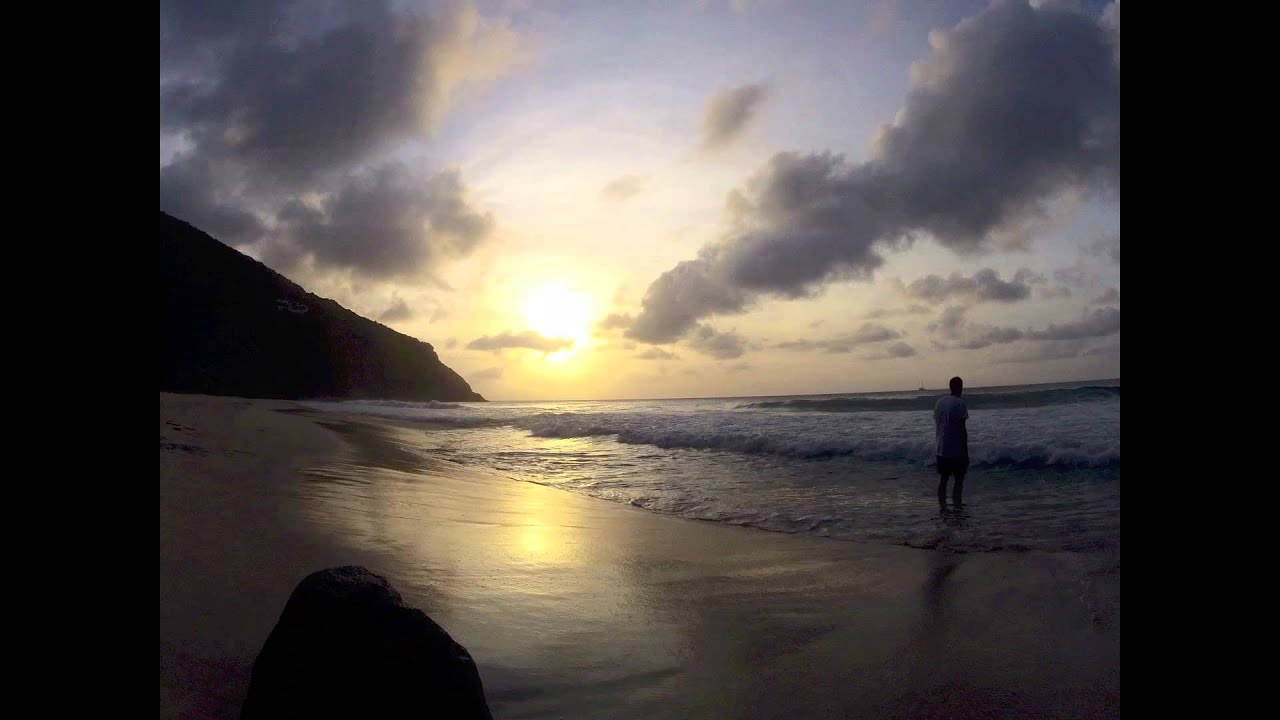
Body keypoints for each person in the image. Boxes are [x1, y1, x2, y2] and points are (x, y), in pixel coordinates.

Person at [934, 376, 969, 505]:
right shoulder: (960, 403)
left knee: (943, 479)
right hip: (956, 449)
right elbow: (962, 429)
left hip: (941, 448)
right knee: (959, 480)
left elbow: (939, 423)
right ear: (960, 387)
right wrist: (965, 451)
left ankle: (942, 507)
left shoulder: (939, 402)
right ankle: (957, 507)